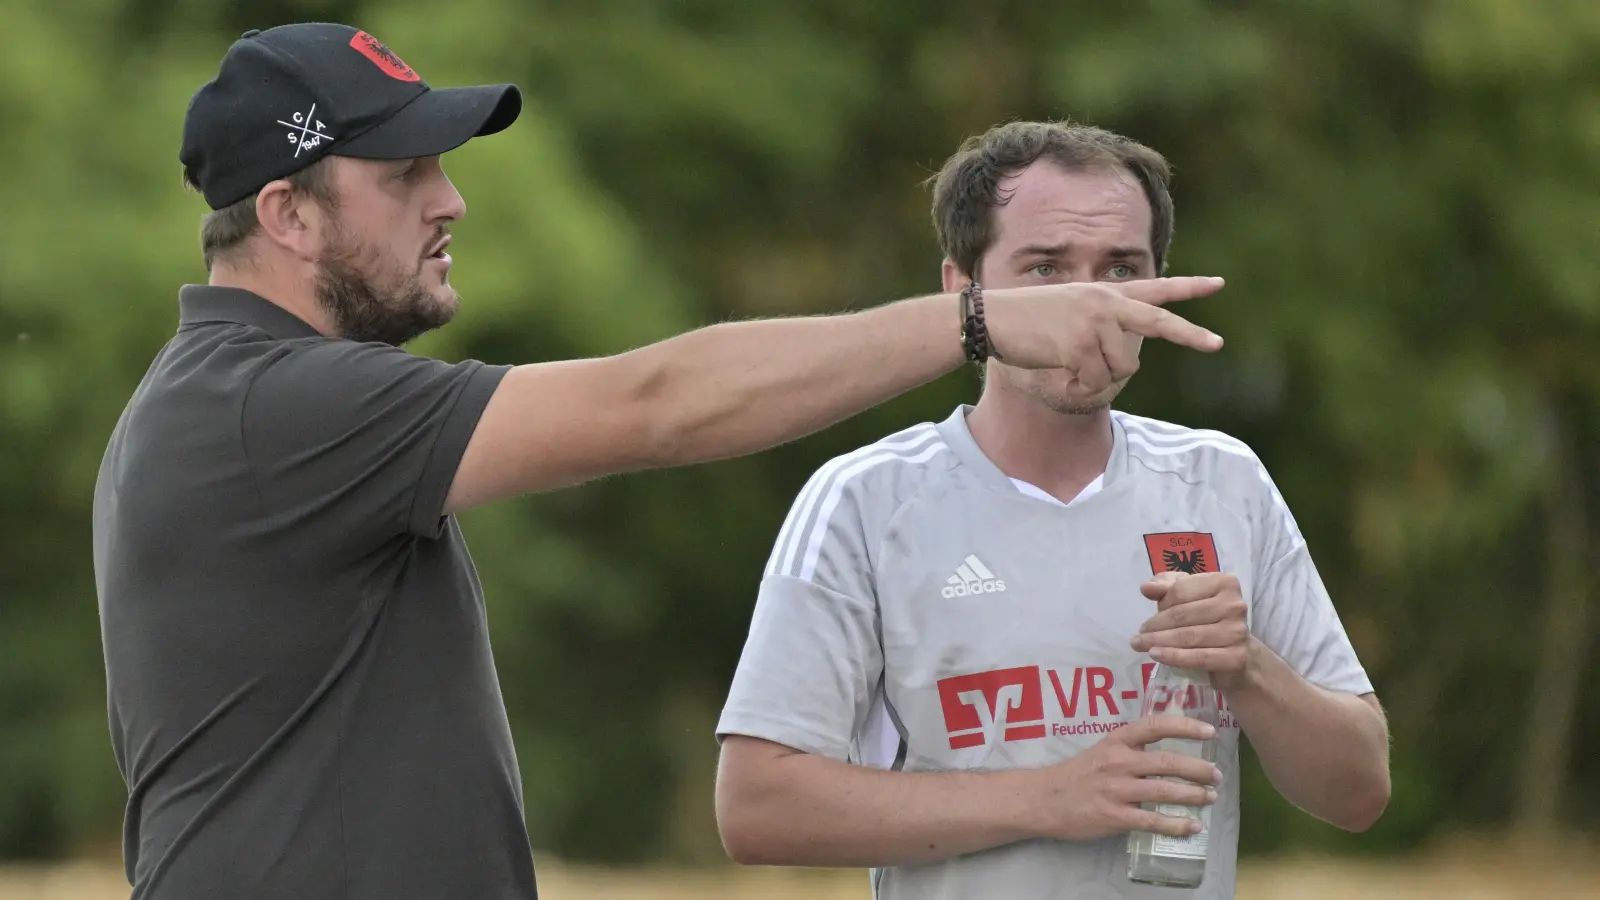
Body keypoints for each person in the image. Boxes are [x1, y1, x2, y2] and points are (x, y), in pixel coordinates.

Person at [91, 24, 1229, 900]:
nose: (451, 200)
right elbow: (661, 405)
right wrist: (982, 322)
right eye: (403, 175)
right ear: (287, 215)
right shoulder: (271, 405)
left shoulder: (247, 400)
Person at [712, 120, 1391, 899]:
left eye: (1121, 269)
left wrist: (1250, 669)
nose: (1089, 302)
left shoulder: (1222, 482)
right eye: (1045, 269)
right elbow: (756, 807)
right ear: (960, 291)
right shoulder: (866, 500)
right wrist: (1046, 799)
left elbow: (1358, 792)